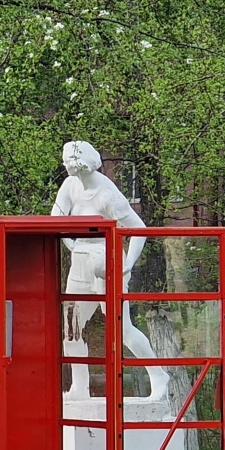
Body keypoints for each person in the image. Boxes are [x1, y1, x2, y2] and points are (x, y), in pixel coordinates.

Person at [51, 141, 166, 402]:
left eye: (71, 161)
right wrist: (73, 245)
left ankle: (158, 375)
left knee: (122, 330)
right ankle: (80, 386)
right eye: (66, 160)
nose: (67, 164)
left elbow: (138, 229)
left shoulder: (107, 193)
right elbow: (56, 219)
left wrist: (127, 264)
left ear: (83, 163)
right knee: (71, 329)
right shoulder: (69, 186)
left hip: (107, 260)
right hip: (80, 261)